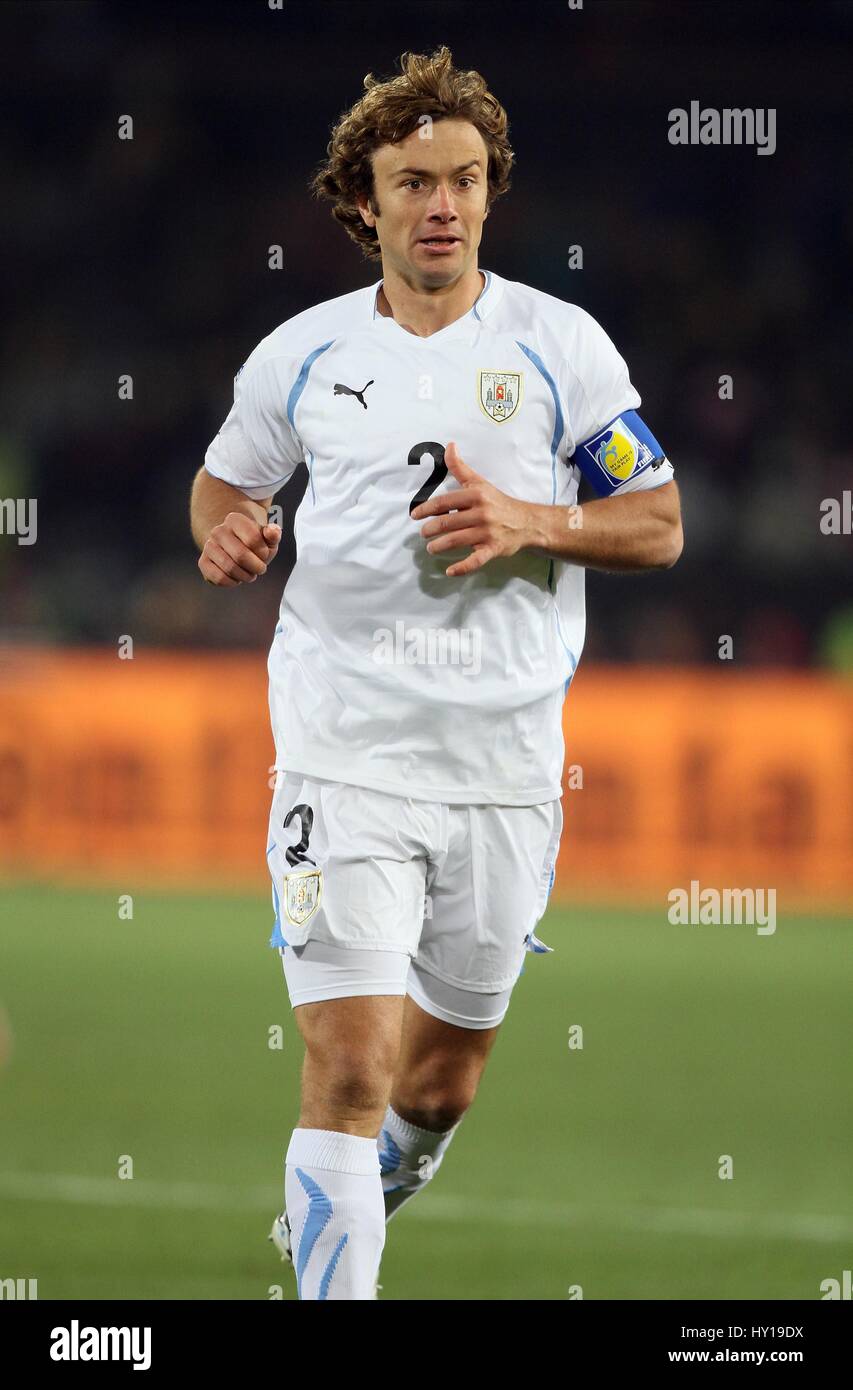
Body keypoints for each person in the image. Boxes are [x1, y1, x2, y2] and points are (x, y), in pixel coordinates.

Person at [189, 44, 682, 1301]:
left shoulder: (562, 347)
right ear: (364, 201)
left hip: (504, 770)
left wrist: (535, 518)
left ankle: (349, 1206)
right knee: (348, 1072)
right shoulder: (299, 353)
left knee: (434, 1086)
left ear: (490, 191)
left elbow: (659, 521)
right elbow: (226, 480)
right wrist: (224, 530)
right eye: (414, 182)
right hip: (342, 754)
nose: (443, 204)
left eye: (464, 178)